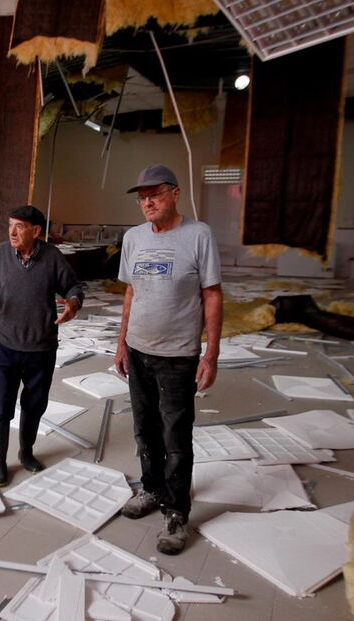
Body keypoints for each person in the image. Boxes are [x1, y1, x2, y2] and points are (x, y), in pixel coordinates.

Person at [113, 164, 223, 555]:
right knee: (144, 430)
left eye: (155, 194)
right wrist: (122, 343)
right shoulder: (133, 238)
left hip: (178, 356)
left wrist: (211, 353)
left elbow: (211, 293)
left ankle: (176, 512)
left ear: (175, 194)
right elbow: (131, 293)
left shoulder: (198, 235)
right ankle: (152, 490)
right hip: (139, 350)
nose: (147, 202)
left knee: (175, 437)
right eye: (142, 197)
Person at [0, 205, 84, 487]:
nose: (12, 232)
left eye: (20, 226)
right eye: (11, 225)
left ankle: (26, 452)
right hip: (5, 343)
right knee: (2, 404)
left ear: (36, 231)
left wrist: (73, 303)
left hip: (41, 345)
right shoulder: (1, 253)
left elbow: (74, 287)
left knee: (35, 404)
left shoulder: (51, 257)